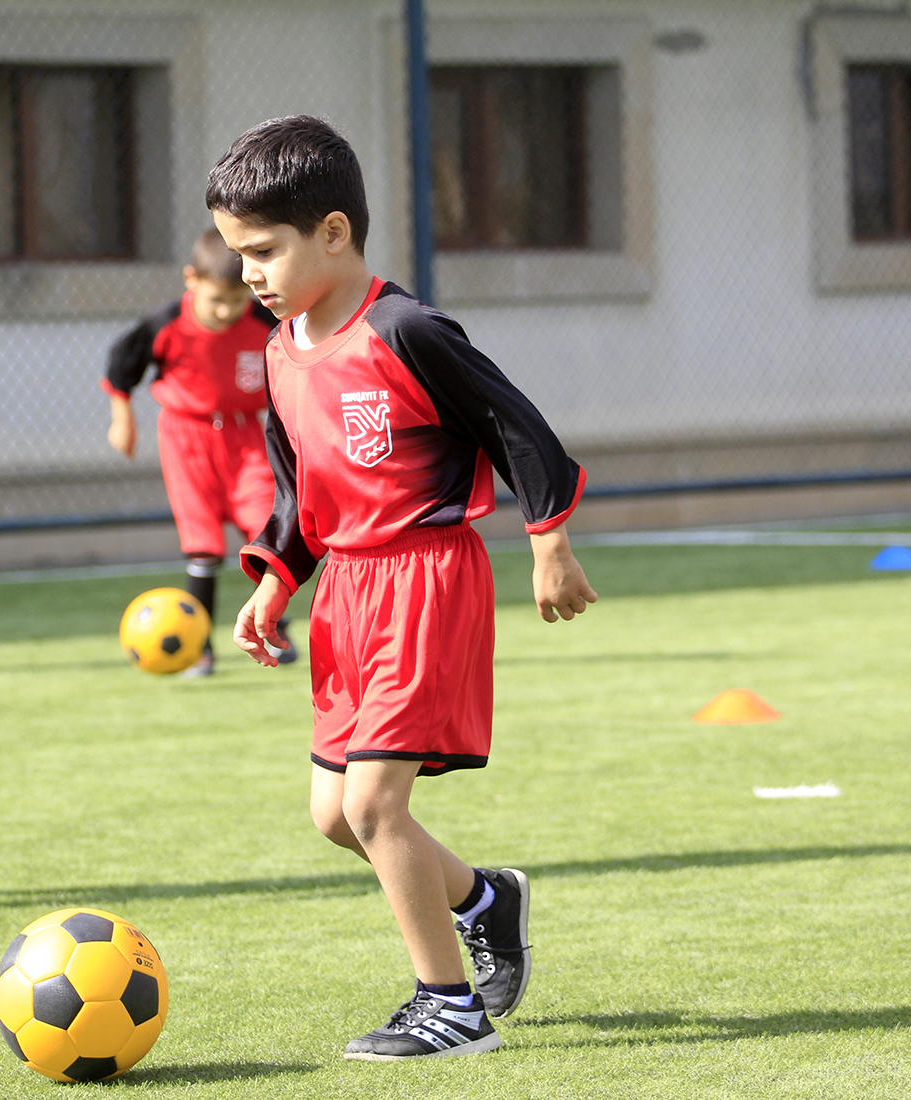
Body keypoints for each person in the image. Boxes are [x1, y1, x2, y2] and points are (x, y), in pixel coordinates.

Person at [209, 116, 598, 1058]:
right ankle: (484, 897)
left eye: (264, 251)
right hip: (346, 590)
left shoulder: (406, 329)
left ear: (333, 232)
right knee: (334, 816)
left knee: (377, 805)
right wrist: (275, 581)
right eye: (237, 255)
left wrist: (550, 541)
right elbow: (304, 489)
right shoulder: (279, 349)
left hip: (426, 578)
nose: (248, 274)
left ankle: (450, 1007)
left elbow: (519, 428)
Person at [104, 229, 296, 675]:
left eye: (238, 299)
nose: (229, 310)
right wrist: (122, 419)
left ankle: (274, 628)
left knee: (267, 529)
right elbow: (121, 366)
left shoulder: (264, 322)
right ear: (191, 280)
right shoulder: (165, 324)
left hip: (249, 438)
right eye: (218, 301)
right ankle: (199, 647)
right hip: (186, 439)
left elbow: (296, 364)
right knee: (204, 544)